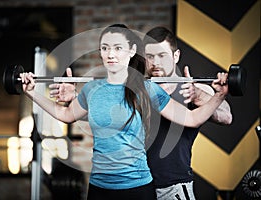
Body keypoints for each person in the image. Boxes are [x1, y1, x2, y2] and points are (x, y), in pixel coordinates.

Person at [20, 24, 228, 200]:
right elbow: (66, 115)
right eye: (105, 48)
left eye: (117, 48)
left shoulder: (147, 89)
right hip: (99, 187)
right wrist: (32, 94)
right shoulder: (92, 89)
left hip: (143, 186)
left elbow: (194, 118)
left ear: (130, 52)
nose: (110, 54)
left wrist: (217, 96)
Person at [143, 26, 232, 200]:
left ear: (175, 56)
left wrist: (198, 96)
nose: (156, 62)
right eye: (150, 56)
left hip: (173, 187)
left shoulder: (193, 89)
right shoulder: (138, 90)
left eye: (162, 55)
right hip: (137, 186)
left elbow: (226, 116)